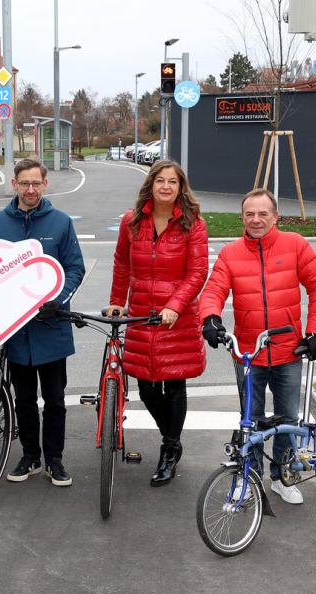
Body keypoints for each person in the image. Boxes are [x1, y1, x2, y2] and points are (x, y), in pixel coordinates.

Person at [198, 188, 316, 505]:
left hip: (288, 351)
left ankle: (283, 477)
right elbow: (213, 291)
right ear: (242, 217)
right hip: (248, 352)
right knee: (251, 421)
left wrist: (314, 333)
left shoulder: (295, 245)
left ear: (275, 216)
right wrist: (210, 319)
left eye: (263, 214)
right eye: (249, 214)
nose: (256, 220)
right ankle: (249, 478)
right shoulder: (231, 254)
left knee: (288, 419)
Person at [0, 158, 85, 486]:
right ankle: (30, 457)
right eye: (24, 183)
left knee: (54, 399)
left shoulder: (61, 223)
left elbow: (75, 268)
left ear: (45, 185)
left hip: (51, 329)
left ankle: (54, 459)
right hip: (15, 332)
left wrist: (59, 297)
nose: (30, 189)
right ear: (14, 184)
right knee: (24, 399)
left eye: (35, 184)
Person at [106, 159, 208, 486]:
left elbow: (197, 273)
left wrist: (175, 305)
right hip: (140, 314)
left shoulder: (194, 224)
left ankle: (168, 449)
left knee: (174, 383)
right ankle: (173, 439)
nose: (166, 186)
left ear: (181, 188)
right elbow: (122, 264)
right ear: (150, 184)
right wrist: (115, 302)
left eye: (172, 182)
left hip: (175, 318)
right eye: (160, 180)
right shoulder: (131, 222)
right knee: (147, 386)